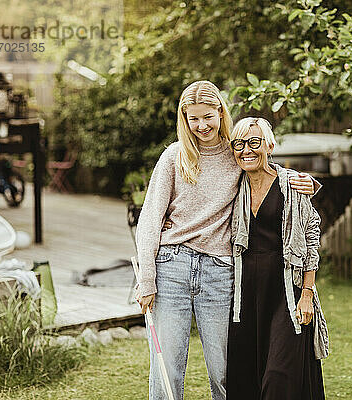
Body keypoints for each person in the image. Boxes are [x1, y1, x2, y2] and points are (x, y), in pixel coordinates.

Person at [135, 80, 318, 400]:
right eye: (193, 118)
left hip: (219, 272)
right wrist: (147, 278)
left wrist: (308, 183)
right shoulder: (174, 157)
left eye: (208, 116)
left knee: (225, 370)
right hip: (172, 265)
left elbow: (270, 173)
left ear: (221, 112)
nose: (202, 125)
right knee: (168, 368)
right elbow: (150, 219)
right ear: (184, 119)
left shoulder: (235, 155)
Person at [226, 117, 329, 400]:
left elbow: (310, 238)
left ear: (269, 146)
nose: (246, 149)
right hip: (244, 297)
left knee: (279, 377)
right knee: (246, 377)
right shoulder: (232, 188)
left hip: (285, 292)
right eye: (239, 143)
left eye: (254, 142)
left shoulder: (291, 185)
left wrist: (307, 292)